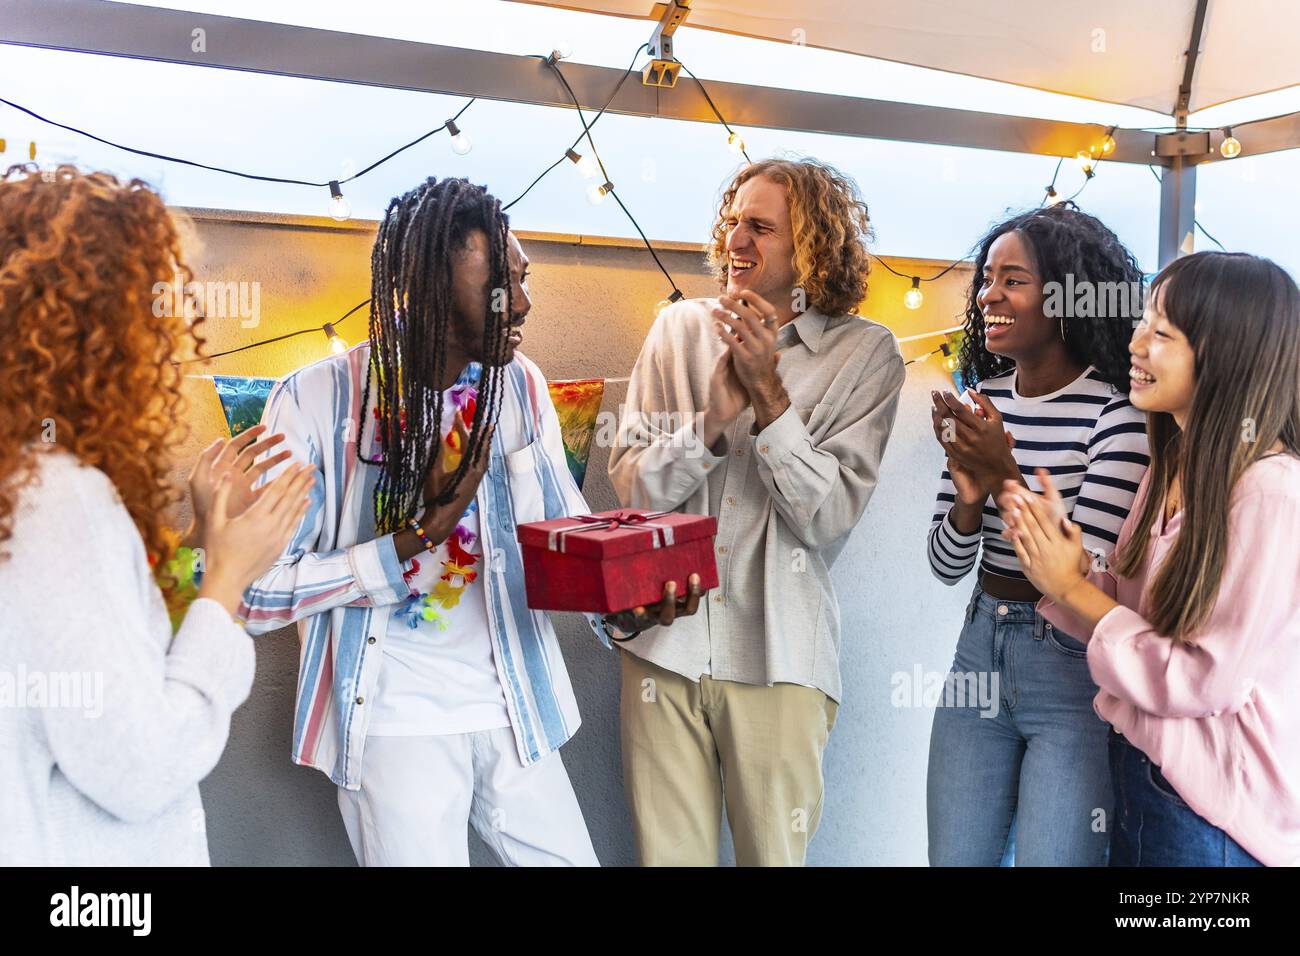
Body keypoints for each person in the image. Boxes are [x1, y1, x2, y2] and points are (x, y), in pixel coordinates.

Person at [239, 176, 699, 867]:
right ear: (428, 289)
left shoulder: (521, 385)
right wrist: (410, 540)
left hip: (518, 708)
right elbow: (253, 591)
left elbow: (562, 534)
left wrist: (623, 607)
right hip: (395, 728)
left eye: (524, 278)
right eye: (500, 287)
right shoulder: (315, 400)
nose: (523, 303)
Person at [0, 165, 311, 865]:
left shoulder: (20, 480)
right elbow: (141, 766)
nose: (167, 335)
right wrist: (226, 584)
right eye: (153, 307)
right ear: (99, 331)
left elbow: (73, 638)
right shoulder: (55, 496)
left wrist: (194, 543)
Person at [608, 157, 905, 866]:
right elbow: (633, 491)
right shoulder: (678, 330)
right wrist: (712, 424)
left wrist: (770, 398)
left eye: (761, 227)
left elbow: (828, 517)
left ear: (813, 247)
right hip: (663, 651)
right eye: (734, 221)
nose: (736, 240)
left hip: (781, 658)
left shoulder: (868, 356)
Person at [999, 251, 1300, 867]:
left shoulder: (1272, 493)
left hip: (1214, 818)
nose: (1135, 343)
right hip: (1148, 777)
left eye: (1161, 332)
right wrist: (1072, 566)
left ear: (1227, 353)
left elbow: (1204, 678)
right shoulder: (1171, 472)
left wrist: (1074, 590)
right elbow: (1140, 613)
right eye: (1142, 323)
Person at [924, 203, 1150, 866]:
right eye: (986, 278)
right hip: (979, 647)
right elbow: (944, 564)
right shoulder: (983, 403)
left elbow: (1088, 568)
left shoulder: (1118, 413)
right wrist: (969, 500)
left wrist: (1000, 475)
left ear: (1067, 298)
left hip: (1073, 670)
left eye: (1012, 279)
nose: (988, 294)